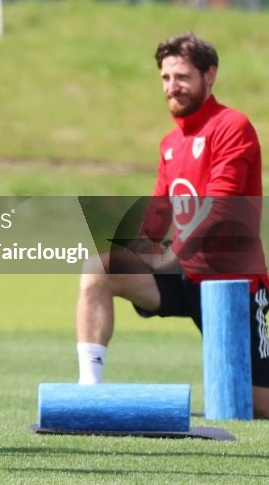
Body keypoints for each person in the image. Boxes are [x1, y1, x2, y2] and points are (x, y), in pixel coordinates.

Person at [76, 33, 269, 417]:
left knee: (260, 406)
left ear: (209, 75)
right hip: (185, 277)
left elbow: (220, 210)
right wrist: (137, 248)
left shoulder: (232, 126)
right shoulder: (171, 143)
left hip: (234, 286)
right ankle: (88, 393)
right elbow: (158, 212)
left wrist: (170, 255)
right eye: (165, 78)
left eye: (182, 77)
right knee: (100, 270)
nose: (172, 87)